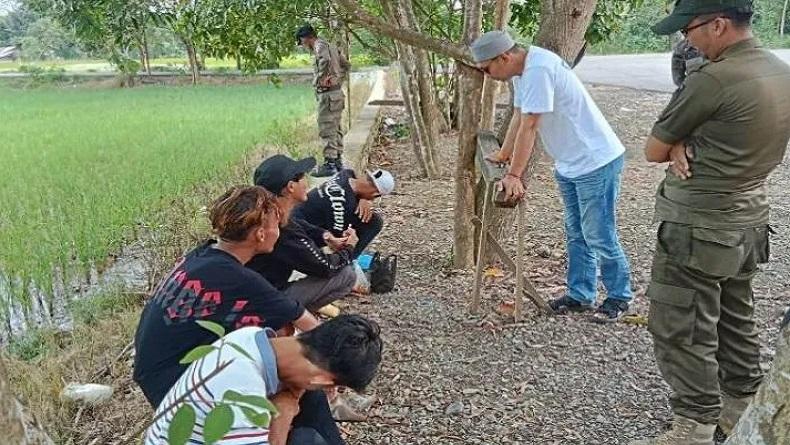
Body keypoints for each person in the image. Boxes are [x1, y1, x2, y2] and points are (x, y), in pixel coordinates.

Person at [634, 1, 790, 443]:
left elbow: (652, 150)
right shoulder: (778, 70)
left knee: (681, 324)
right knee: (734, 317)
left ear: (719, 24)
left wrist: (678, 140)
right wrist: (686, 138)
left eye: (691, 29)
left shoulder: (713, 77)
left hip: (697, 225)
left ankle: (694, 427)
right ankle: (739, 407)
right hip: (748, 220)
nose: (688, 39)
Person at [470, 30, 633, 322]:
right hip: (570, 163)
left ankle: (619, 296)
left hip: (595, 160)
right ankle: (581, 294)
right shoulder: (521, 72)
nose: (487, 75)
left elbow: (531, 126)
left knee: (598, 232)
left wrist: (515, 174)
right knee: (576, 232)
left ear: (504, 57)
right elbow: (519, 116)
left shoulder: (539, 70)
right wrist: (504, 154)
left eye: (487, 68)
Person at [133, 185, 321, 407]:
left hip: (151, 372)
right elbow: (310, 326)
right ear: (260, 234)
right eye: (276, 226)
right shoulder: (239, 278)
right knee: (305, 389)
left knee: (277, 332)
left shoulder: (203, 255)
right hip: (174, 389)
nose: (278, 232)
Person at [143, 314, 383, 445]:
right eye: (334, 386)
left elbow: (302, 381)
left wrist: (293, 395)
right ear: (322, 380)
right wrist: (281, 417)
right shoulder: (242, 390)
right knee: (306, 440)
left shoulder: (251, 336)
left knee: (307, 399)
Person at [247, 154, 357, 311]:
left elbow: (299, 225)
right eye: (303, 177)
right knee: (346, 275)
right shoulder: (280, 230)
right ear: (291, 186)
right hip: (264, 301)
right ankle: (288, 319)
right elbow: (326, 267)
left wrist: (325, 236)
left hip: (251, 291)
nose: (307, 182)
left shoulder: (264, 213)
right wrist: (349, 249)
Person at [292, 168, 394, 258]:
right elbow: (338, 242)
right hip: (300, 231)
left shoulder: (345, 174)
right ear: (375, 194)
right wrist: (350, 244)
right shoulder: (343, 206)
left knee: (373, 220)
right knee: (374, 224)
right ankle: (349, 263)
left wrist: (364, 198)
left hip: (297, 212)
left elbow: (354, 174)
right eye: (376, 197)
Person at [296, 24, 351, 178]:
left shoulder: (320, 46)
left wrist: (322, 78)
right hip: (337, 93)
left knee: (326, 127)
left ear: (306, 38)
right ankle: (338, 160)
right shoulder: (330, 45)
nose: (304, 45)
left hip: (327, 95)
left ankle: (330, 164)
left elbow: (325, 60)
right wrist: (338, 79)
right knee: (336, 128)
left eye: (302, 42)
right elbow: (346, 65)